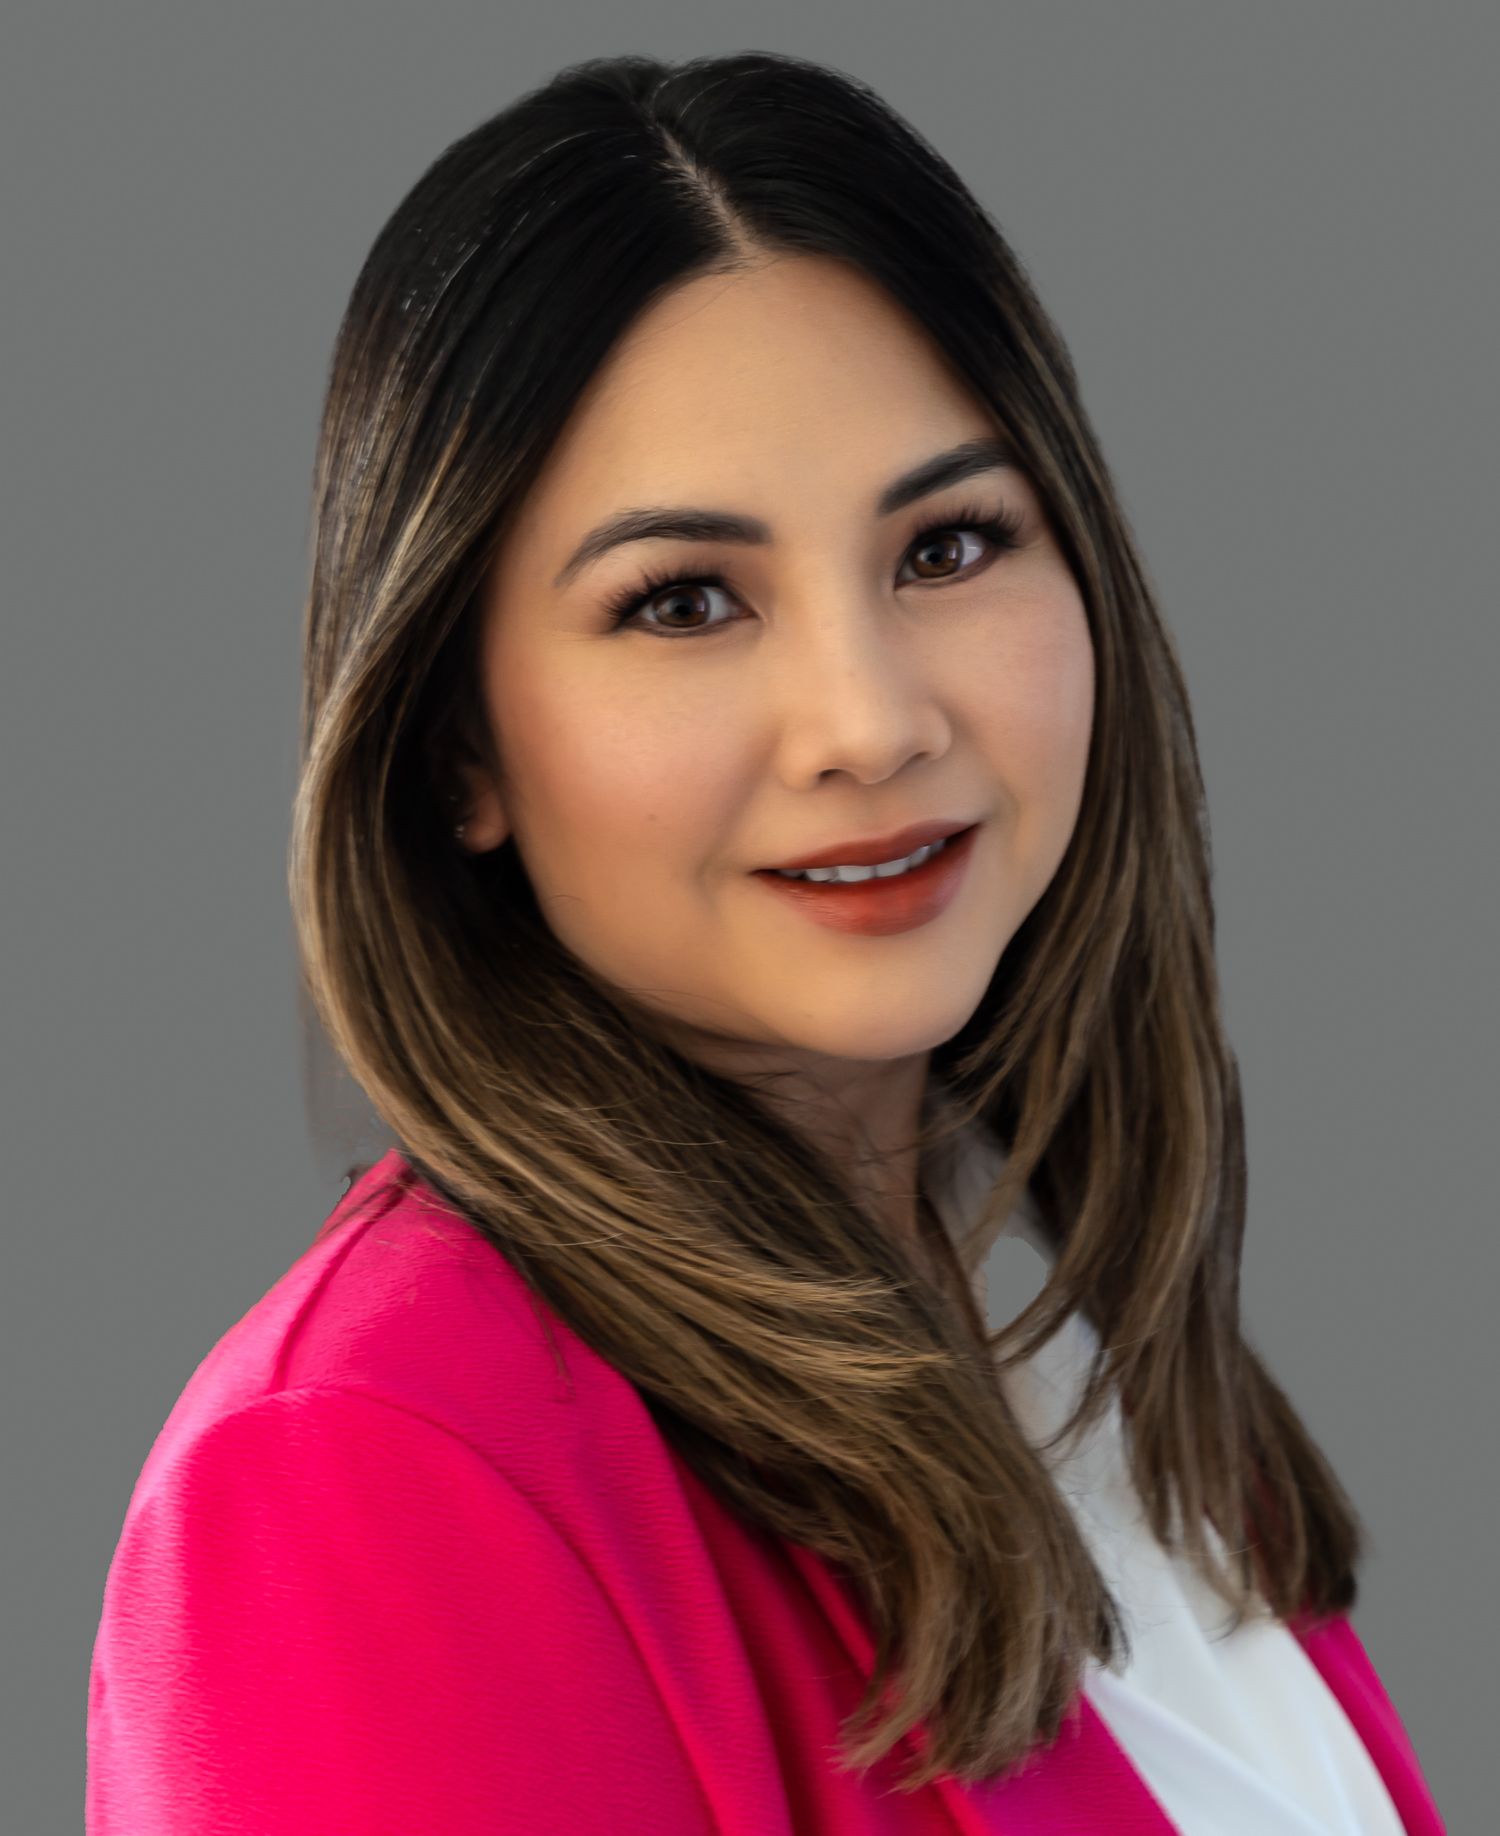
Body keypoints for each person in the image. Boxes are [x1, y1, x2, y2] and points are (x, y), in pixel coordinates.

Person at [85, 48, 1445, 1833]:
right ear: (456, 746)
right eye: (686, 601)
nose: (867, 722)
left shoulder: (1074, 1314)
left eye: (950, 546)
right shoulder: (367, 1474)